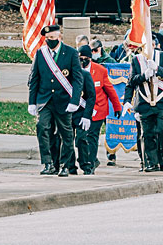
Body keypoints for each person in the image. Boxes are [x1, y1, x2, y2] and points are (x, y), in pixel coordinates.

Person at [27, 25, 84, 177]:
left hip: (64, 100)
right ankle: (48, 162)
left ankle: (65, 165)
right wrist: (32, 102)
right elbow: (34, 79)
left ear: (60, 37)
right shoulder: (41, 53)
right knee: (42, 128)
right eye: (48, 39)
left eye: (53, 38)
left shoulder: (71, 53)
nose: (50, 41)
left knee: (66, 134)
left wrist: (74, 100)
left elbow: (77, 79)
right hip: (45, 100)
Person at [122, 44, 163, 172]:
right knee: (147, 134)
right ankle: (151, 163)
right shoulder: (136, 60)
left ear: (154, 45)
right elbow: (131, 81)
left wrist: (157, 69)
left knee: (162, 131)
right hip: (144, 103)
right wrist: (144, 76)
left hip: (162, 102)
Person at [83, 46, 122, 172]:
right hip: (82, 108)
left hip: (98, 109)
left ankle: (90, 164)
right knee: (81, 137)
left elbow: (110, 90)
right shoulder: (76, 69)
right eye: (81, 58)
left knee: (92, 136)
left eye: (86, 58)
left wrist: (117, 107)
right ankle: (88, 159)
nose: (83, 61)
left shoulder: (100, 70)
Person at [67, 46, 97, 175]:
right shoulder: (65, 75)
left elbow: (91, 96)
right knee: (67, 140)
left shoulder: (85, 74)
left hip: (81, 113)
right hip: (67, 113)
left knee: (81, 139)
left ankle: (86, 165)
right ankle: (70, 166)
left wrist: (87, 116)